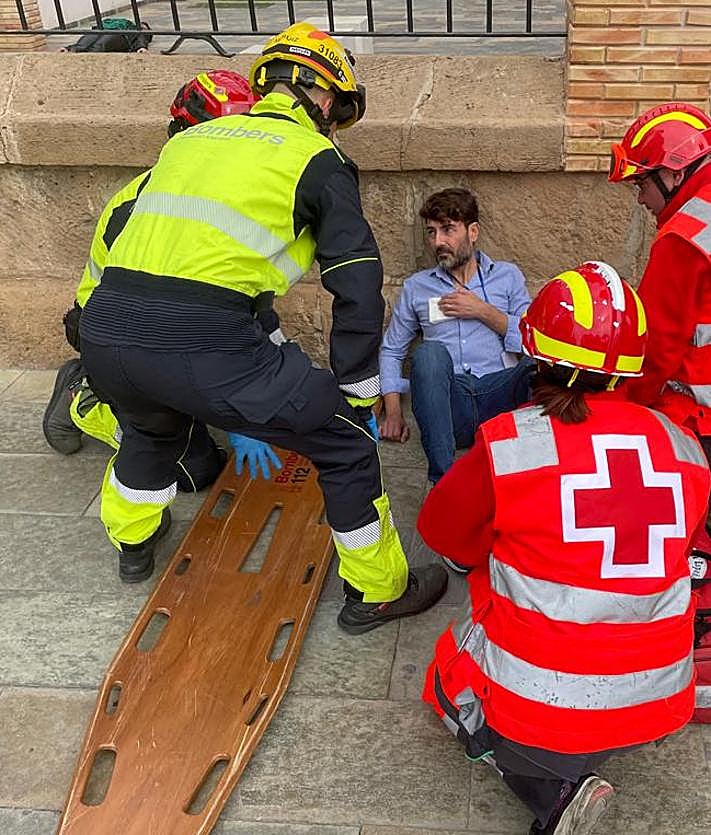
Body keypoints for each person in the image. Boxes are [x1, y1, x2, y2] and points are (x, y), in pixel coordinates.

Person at [76, 21, 448, 626]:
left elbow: (198, 262)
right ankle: (377, 591)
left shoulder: (189, 144)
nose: (334, 123)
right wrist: (358, 390)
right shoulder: (318, 158)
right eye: (338, 111)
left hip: (108, 333)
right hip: (205, 343)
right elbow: (356, 281)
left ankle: (133, 547)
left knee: (150, 435)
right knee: (346, 445)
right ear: (324, 96)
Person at [418, 261, 710, 834]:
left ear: (537, 357)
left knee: (444, 684)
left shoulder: (511, 442)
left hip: (546, 700)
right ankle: (594, 739)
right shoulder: (685, 446)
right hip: (661, 698)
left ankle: (550, 790)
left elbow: (442, 533)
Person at [42, 71, 260, 499]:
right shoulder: (140, 202)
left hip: (173, 336)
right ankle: (82, 396)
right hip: (119, 337)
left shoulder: (230, 198)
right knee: (193, 471)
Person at [378, 188, 533, 485]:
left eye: (448, 230)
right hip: (451, 405)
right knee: (428, 354)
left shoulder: (507, 276)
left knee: (537, 366)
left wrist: (483, 311)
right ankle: (443, 483)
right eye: (432, 232)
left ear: (472, 232)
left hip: (500, 396)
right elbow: (392, 351)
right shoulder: (417, 287)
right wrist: (394, 411)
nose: (439, 242)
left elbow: (532, 340)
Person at [59, 18, 153, 53]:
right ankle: (69, 49)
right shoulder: (124, 22)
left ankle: (80, 55)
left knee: (99, 46)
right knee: (87, 41)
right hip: (103, 29)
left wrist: (141, 47)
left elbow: (141, 38)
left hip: (121, 36)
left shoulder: (139, 31)